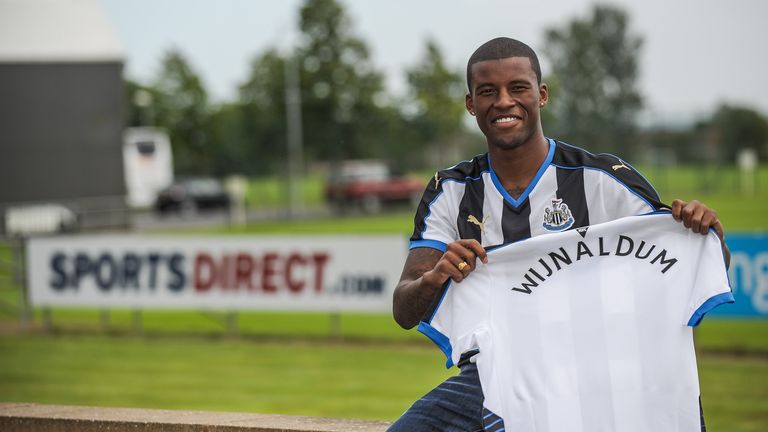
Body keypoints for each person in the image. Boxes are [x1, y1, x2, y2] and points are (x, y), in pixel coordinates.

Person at [388, 37, 729, 432]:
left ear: (542, 95)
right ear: (471, 104)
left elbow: (694, 262)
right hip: (497, 375)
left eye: (518, 87)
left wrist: (707, 233)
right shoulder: (451, 190)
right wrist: (435, 278)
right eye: (488, 92)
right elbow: (404, 311)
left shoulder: (600, 179)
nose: (503, 102)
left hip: (602, 369)